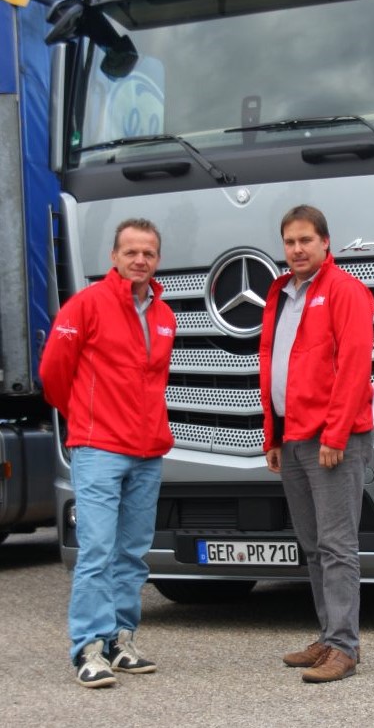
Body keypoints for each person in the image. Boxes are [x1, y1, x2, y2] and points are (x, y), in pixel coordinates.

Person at [39, 218, 176, 689]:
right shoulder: (86, 305)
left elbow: (155, 381)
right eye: (131, 252)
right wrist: (86, 417)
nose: (140, 260)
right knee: (97, 550)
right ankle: (88, 648)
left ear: (157, 260)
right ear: (114, 257)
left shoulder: (164, 315)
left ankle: (120, 641)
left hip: (147, 450)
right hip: (99, 448)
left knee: (132, 553)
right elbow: (53, 373)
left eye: (148, 253)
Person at [259, 205, 374, 683]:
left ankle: (344, 647)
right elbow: (274, 364)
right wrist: (273, 434)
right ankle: (329, 637)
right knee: (312, 545)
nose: (297, 249)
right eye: (290, 242)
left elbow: (354, 366)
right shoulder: (280, 294)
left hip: (332, 439)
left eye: (306, 240)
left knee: (337, 545)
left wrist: (336, 432)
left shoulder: (346, 291)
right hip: (293, 436)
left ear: (326, 242)